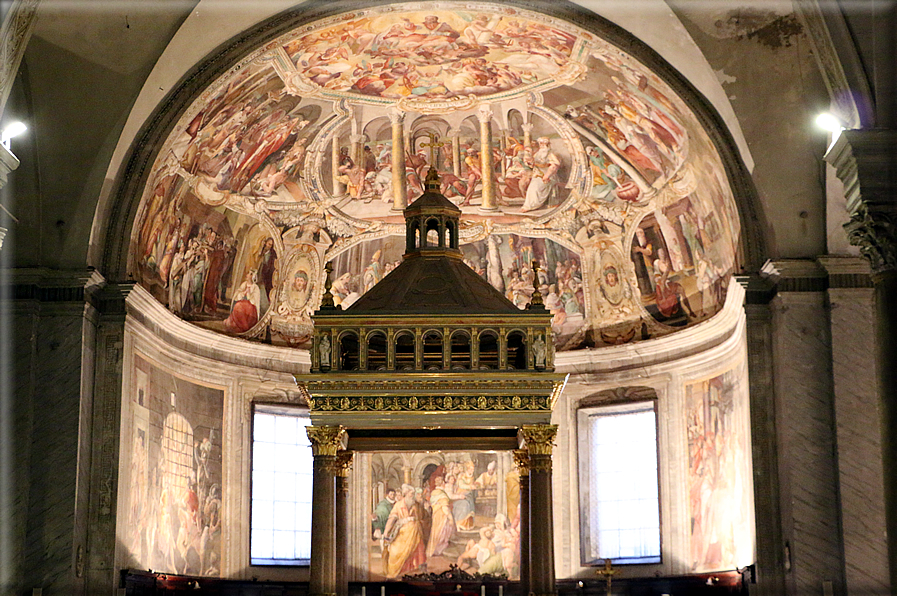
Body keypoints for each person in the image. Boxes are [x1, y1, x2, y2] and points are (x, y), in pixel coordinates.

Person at [382, 485, 426, 579]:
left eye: (413, 494)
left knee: (417, 551)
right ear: (405, 494)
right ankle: (393, 573)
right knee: (396, 551)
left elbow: (422, 517)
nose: (412, 496)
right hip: (403, 533)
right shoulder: (398, 505)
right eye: (411, 493)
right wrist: (386, 531)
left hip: (415, 532)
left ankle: (411, 571)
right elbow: (392, 518)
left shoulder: (416, 505)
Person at [521, 137, 560, 212]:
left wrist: (546, 176)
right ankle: (528, 206)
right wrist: (530, 163)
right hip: (537, 175)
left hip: (548, 176)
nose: (541, 145)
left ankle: (530, 206)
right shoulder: (538, 153)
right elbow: (533, 165)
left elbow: (554, 166)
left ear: (547, 144)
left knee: (534, 189)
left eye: (543, 143)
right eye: (540, 143)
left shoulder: (550, 154)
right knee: (531, 188)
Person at [426, 476, 455, 557]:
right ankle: (439, 549)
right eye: (444, 483)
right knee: (442, 531)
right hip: (442, 515)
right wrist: (450, 518)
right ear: (442, 484)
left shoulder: (434, 492)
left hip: (435, 515)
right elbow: (445, 508)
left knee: (436, 531)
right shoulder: (442, 494)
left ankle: (434, 549)